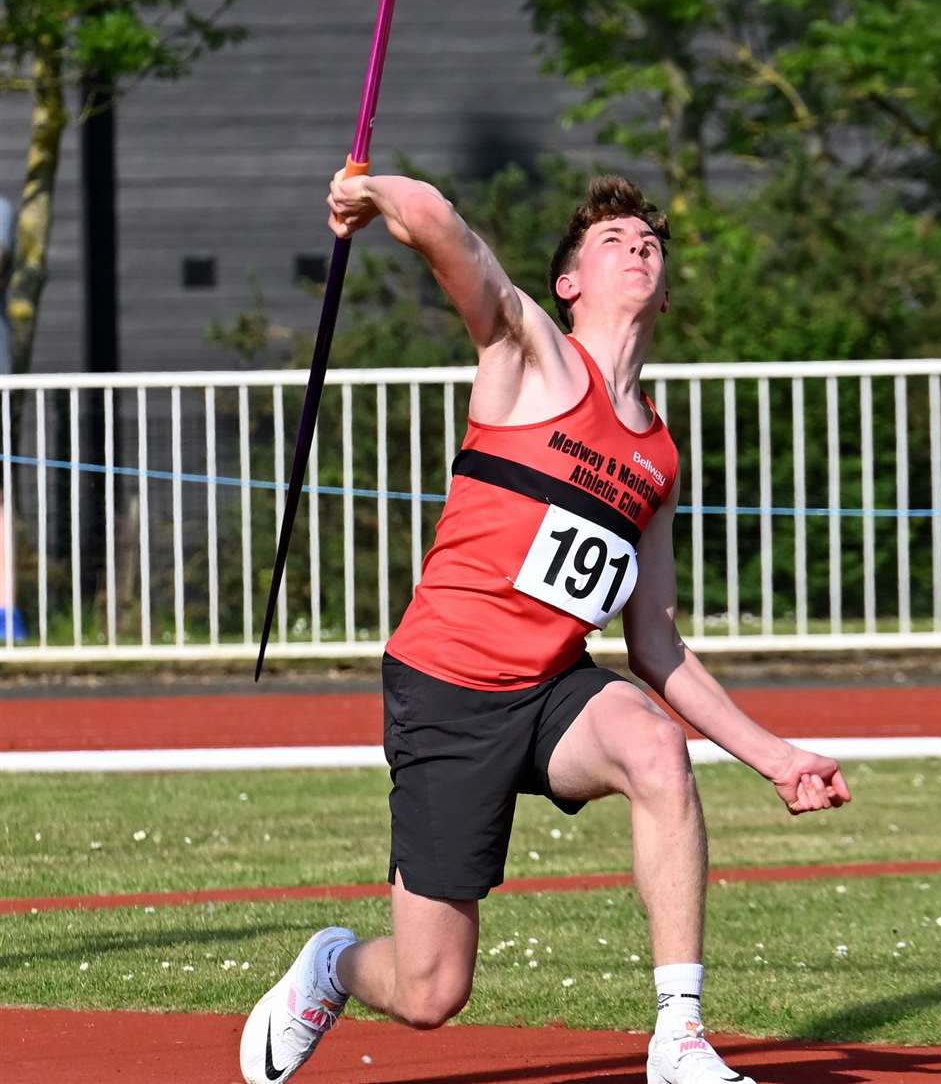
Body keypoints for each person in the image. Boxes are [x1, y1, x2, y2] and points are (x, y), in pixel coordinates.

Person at [240, 170, 851, 1084]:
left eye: (649, 241)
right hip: (445, 688)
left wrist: (778, 756)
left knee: (655, 748)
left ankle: (678, 1036)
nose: (637, 246)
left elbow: (657, 647)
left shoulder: (657, 451)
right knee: (430, 990)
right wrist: (376, 194)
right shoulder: (531, 354)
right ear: (569, 283)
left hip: (552, 687)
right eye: (613, 240)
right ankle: (331, 964)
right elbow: (450, 231)